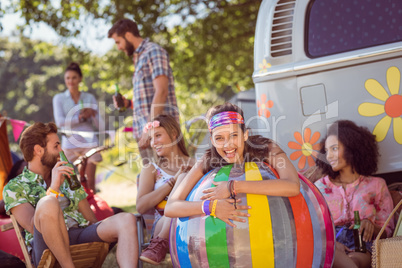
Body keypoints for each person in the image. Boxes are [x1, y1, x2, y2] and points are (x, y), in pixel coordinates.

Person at [2, 122, 138, 268]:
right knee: (48, 203)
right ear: (38, 150)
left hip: (78, 234)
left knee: (126, 219)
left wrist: (102, 232)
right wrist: (54, 188)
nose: (61, 150)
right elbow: (31, 225)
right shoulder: (13, 187)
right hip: (46, 245)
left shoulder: (66, 175)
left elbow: (90, 219)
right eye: (56, 146)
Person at [165, 103, 300, 226]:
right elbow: (171, 207)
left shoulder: (266, 148)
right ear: (212, 140)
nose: (227, 144)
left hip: (275, 225)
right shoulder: (208, 160)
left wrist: (233, 186)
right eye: (219, 138)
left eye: (234, 135)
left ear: (245, 134)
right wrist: (211, 207)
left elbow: (293, 186)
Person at [314, 120, 394, 268]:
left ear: (352, 148)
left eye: (334, 149)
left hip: (362, 245)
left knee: (354, 262)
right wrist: (333, 244)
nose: (329, 156)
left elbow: (388, 231)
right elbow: (314, 229)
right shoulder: (319, 188)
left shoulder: (377, 185)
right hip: (331, 245)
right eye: (327, 151)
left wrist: (370, 225)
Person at [108, 18, 180, 164]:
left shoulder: (153, 52)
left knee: (172, 180)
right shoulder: (138, 58)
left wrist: (149, 131)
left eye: (118, 42)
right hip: (146, 135)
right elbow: (147, 100)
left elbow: (161, 92)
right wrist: (128, 103)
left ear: (128, 35)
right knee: (155, 182)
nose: (118, 47)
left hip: (160, 133)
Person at [136, 114, 194, 265]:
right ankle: (160, 242)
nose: (154, 143)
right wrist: (173, 181)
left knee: (185, 176)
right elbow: (141, 206)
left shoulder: (196, 165)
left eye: (158, 136)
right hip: (163, 224)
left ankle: (158, 246)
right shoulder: (151, 169)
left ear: (173, 134)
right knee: (182, 180)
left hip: (192, 221)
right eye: (151, 139)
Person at [53, 62, 104, 193]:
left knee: (90, 182)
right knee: (69, 182)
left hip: (89, 142)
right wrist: (80, 118)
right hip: (69, 144)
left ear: (80, 79)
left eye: (74, 77)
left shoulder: (89, 97)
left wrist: (92, 114)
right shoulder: (59, 98)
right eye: (68, 78)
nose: (71, 81)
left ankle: (94, 210)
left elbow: (100, 125)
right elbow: (60, 122)